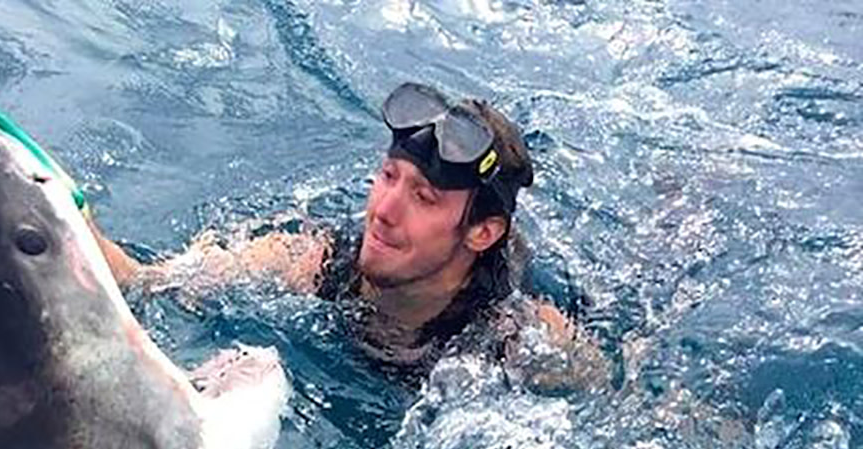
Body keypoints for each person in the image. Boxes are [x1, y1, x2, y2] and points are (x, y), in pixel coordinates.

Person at [92, 82, 608, 389]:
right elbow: (146, 282)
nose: (383, 211)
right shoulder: (313, 261)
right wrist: (71, 218)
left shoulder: (514, 337)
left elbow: (613, 399)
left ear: (482, 232)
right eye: (388, 177)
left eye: (423, 197)